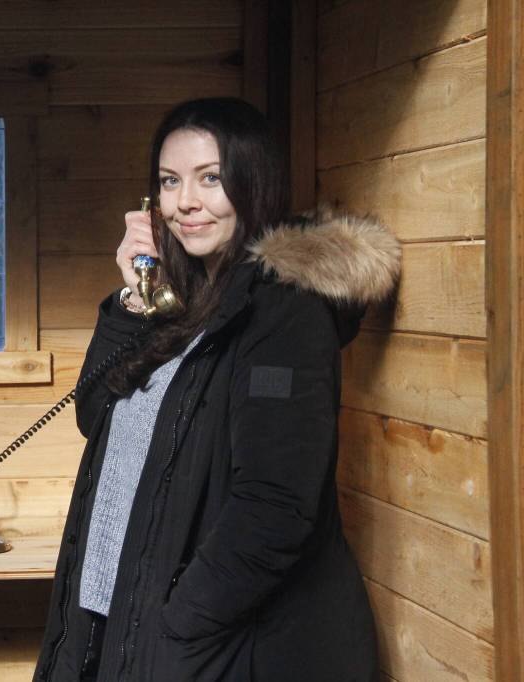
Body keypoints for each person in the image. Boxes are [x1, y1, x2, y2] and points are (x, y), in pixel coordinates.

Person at [32, 97, 401, 681]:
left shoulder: (285, 310)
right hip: (121, 617)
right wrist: (135, 295)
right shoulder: (184, 304)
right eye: (170, 181)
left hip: (217, 644)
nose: (186, 203)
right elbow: (95, 413)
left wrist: (178, 622)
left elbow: (276, 506)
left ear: (254, 183)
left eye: (211, 179)